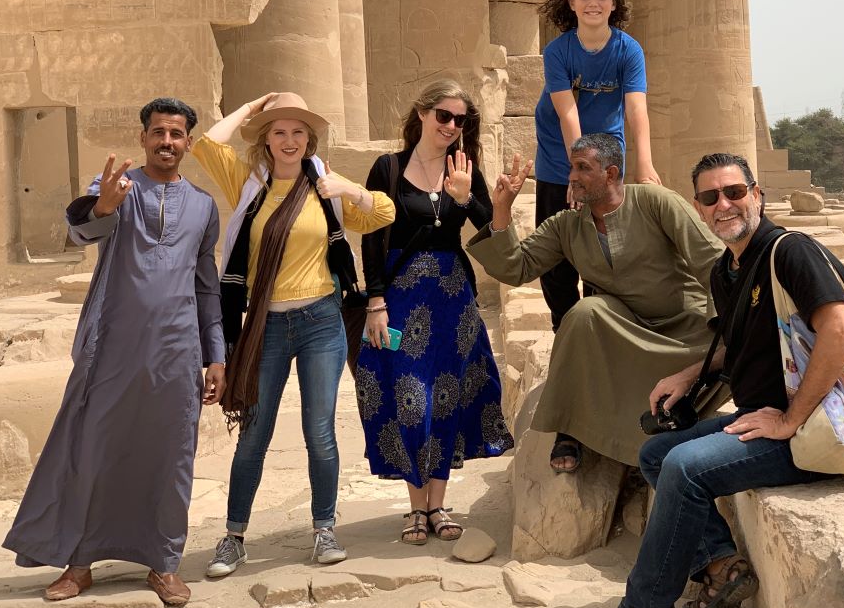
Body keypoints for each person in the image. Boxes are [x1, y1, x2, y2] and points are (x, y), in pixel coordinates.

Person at [606, 152, 844, 608]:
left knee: (683, 466)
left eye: (735, 192)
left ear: (756, 195)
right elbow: (744, 342)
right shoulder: (728, 269)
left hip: (812, 428)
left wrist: (788, 419)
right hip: (761, 416)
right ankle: (722, 565)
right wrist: (689, 373)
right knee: (658, 454)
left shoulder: (789, 252)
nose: (724, 204)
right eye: (710, 197)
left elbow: (840, 331)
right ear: (698, 208)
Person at [3, 98, 226, 607]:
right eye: (157, 133)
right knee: (94, 453)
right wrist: (103, 205)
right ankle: (79, 565)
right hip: (113, 349)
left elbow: (207, 287)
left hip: (177, 353)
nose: (166, 142)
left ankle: (164, 564)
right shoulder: (117, 189)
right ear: (144, 138)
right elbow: (82, 228)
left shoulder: (203, 205)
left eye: (176, 134)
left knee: (171, 459)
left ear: (188, 142)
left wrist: (216, 355)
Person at [193, 92, 394, 576]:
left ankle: (324, 529)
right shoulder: (249, 184)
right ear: (266, 140)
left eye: (298, 132)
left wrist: (348, 188)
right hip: (267, 325)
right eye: (278, 131)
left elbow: (383, 213)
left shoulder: (325, 186)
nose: (289, 140)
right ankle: (234, 536)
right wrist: (251, 107)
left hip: (321, 321)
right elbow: (205, 143)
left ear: (310, 140)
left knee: (319, 431)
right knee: (254, 433)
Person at [466, 133, 721, 474]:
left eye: (583, 168)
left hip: (683, 334)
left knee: (735, 350)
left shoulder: (657, 202)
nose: (572, 176)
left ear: (611, 173)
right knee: (584, 312)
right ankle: (571, 429)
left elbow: (713, 264)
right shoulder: (567, 224)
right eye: (571, 167)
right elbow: (516, 267)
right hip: (624, 335)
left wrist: (731, 324)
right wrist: (501, 209)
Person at [357, 80, 514, 545]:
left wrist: (466, 196)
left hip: (453, 302)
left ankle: (438, 505)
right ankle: (414, 506)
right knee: (409, 397)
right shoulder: (387, 168)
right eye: (443, 116)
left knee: (446, 397)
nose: (451, 126)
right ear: (422, 114)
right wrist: (376, 300)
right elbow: (371, 238)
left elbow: (492, 227)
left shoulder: (465, 167)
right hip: (400, 299)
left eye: (460, 120)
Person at [534, 0, 662, 340]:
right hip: (560, 159)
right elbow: (567, 114)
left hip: (607, 158)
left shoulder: (628, 50)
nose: (593, 3)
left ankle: (602, 333)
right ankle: (565, 332)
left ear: (614, 3)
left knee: (606, 252)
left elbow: (636, 110)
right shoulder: (558, 51)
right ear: (570, 2)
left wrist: (646, 165)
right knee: (557, 257)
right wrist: (577, 175)